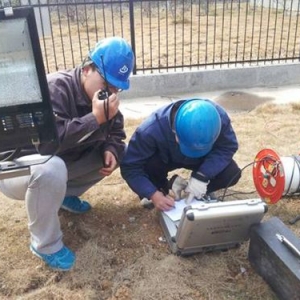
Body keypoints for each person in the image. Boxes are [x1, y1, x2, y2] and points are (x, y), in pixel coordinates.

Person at [0, 36, 135, 271]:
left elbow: (116, 131)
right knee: (52, 169)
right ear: (86, 69)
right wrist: (95, 119)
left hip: (56, 165)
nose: (111, 91)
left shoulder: (104, 98)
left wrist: (111, 148)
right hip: (18, 169)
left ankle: (60, 196)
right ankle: (45, 244)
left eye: (117, 87)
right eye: (107, 83)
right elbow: (48, 145)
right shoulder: (55, 88)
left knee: (116, 154)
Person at [120, 98, 241, 211]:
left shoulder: (218, 119)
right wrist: (153, 194)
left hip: (202, 159)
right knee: (150, 166)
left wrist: (202, 176)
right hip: (164, 159)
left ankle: (196, 191)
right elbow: (130, 167)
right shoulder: (150, 130)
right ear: (174, 132)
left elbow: (227, 147)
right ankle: (163, 188)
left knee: (231, 173)